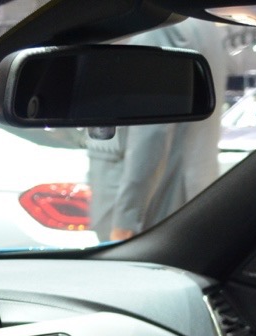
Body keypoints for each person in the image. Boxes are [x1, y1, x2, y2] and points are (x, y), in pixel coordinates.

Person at [86, 19, 229, 242]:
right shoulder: (205, 24)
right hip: (192, 191)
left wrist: (127, 218)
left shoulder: (160, 28)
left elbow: (151, 134)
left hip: (156, 202)